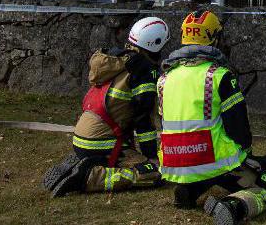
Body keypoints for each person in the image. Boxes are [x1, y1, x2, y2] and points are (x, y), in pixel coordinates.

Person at [158, 9, 266, 224]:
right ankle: (233, 206)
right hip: (212, 160)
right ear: (213, 38)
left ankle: (189, 188)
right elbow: (238, 127)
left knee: (209, 170)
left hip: (175, 163)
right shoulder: (219, 76)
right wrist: (248, 157)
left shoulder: (165, 77)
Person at [41, 16, 170, 197]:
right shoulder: (143, 71)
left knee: (140, 161)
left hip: (82, 138)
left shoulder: (116, 61)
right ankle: (90, 177)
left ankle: (84, 163)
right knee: (155, 172)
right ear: (156, 45)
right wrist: (150, 156)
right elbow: (143, 119)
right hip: (103, 142)